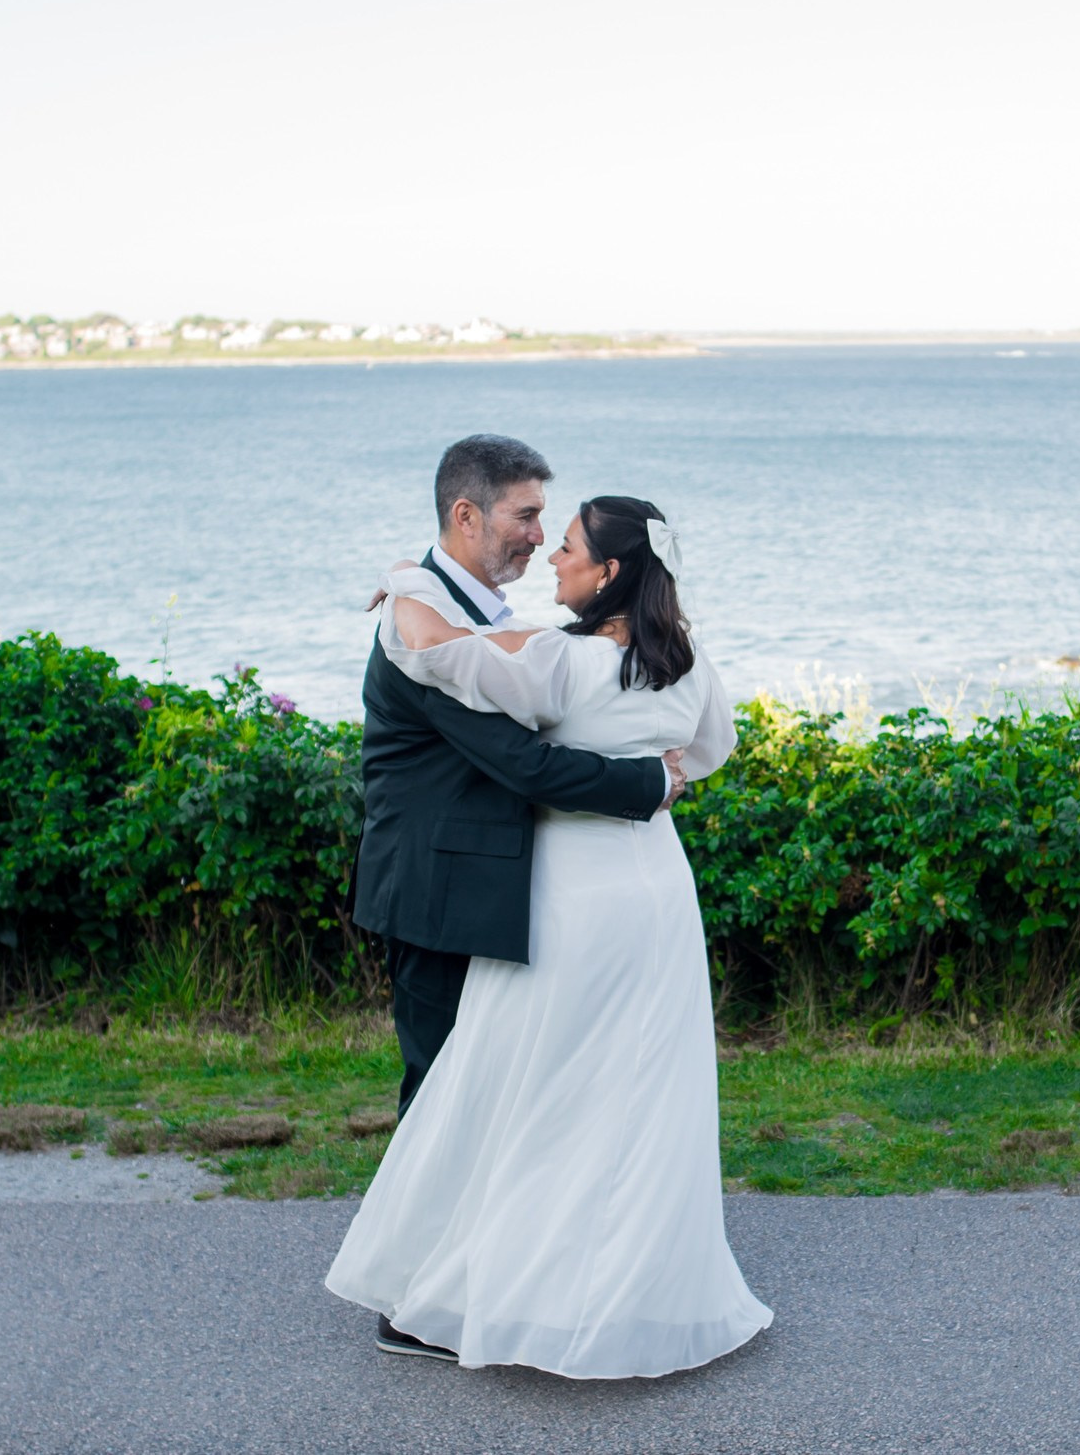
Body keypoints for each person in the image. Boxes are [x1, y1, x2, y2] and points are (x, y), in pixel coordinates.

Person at [327, 489, 772, 1378]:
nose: (555, 559)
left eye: (568, 547)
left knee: (527, 1085)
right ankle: (636, 1288)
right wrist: (657, 770)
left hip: (572, 894)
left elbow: (433, 657)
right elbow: (713, 748)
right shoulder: (688, 661)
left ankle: (486, 1282)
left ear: (608, 573)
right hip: (656, 890)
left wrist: (404, 588)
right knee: (644, 1093)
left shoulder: (553, 663)